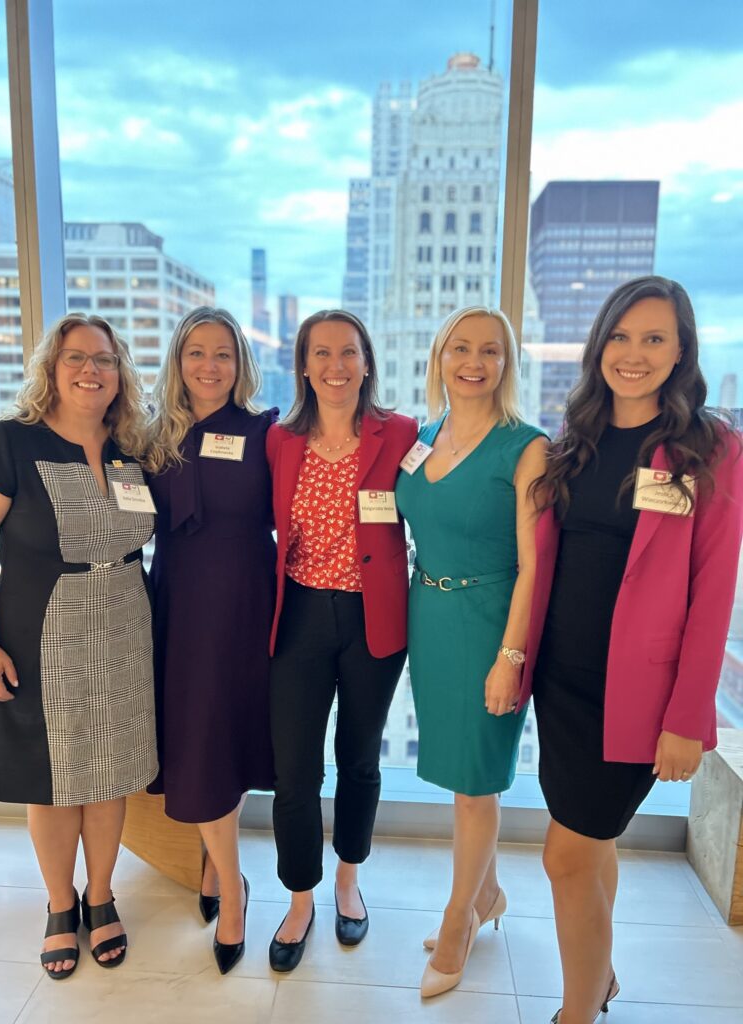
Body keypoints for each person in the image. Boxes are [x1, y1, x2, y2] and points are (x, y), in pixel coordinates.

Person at [519, 276, 743, 1024]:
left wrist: (688, 718)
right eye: (620, 336)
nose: (634, 354)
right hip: (563, 682)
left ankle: (577, 1012)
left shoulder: (711, 450)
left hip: (639, 698)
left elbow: (712, 599)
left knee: (564, 857)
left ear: (681, 350)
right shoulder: (574, 438)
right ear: (598, 346)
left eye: (654, 338)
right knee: (592, 843)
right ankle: (600, 979)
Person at [0, 313, 157, 979]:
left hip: (124, 628)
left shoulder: (129, 448)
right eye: (76, 357)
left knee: (107, 772)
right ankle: (60, 905)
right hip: (36, 632)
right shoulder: (8, 443)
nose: (91, 370)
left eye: (104, 360)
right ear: (51, 368)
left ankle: (102, 895)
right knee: (51, 783)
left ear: (119, 374)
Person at [396, 306, 547, 997]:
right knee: (460, 773)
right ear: (439, 356)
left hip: (490, 621)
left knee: (475, 783)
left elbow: (534, 563)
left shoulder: (527, 445)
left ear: (507, 362)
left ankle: (460, 919)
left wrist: (510, 657)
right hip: (428, 614)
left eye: (490, 350)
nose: (474, 361)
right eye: (460, 347)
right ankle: (487, 895)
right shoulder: (423, 438)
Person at [265, 309, 417, 972]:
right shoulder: (278, 439)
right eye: (321, 353)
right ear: (303, 365)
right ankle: (301, 897)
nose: (335, 365)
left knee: (359, 758)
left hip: (372, 617)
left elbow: (441, 505)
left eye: (348, 352)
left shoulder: (403, 433)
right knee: (295, 770)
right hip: (297, 612)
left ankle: (349, 880)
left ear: (366, 360)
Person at [145, 306, 276, 974]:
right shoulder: (147, 437)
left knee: (230, 733)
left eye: (223, 353)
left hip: (248, 605)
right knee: (193, 737)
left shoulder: (266, 431)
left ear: (240, 364)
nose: (209, 365)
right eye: (196, 352)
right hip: (178, 607)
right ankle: (229, 881)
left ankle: (222, 877)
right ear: (178, 360)